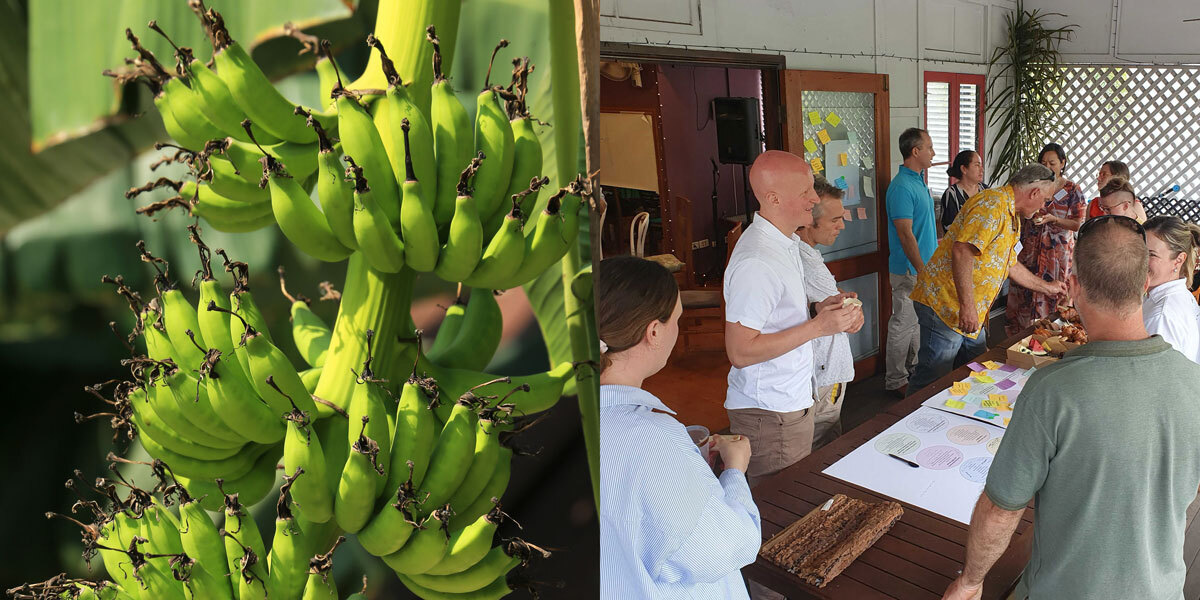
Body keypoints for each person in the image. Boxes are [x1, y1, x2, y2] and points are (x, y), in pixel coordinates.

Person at [941, 216, 1200, 600]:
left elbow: (1002, 509)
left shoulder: (1052, 390)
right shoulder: (1193, 381)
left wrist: (971, 580)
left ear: (1074, 288)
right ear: (1145, 282)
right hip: (1162, 589)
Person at [598, 255, 761, 599]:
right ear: (653, 332)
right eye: (677, 320)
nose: (678, 329)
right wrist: (734, 470)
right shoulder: (648, 438)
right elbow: (725, 547)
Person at [723, 150, 863, 487]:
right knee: (782, 508)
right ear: (772, 198)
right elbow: (740, 351)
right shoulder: (757, 260)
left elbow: (779, 317)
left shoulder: (785, 244)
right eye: (805, 192)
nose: (814, 199)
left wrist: (823, 309)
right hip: (770, 411)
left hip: (791, 398)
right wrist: (818, 327)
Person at [908, 164, 1067, 393]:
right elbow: (962, 251)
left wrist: (1047, 288)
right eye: (1045, 200)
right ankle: (904, 423)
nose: (1044, 207)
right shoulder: (993, 205)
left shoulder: (1012, 214)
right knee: (932, 378)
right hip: (946, 304)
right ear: (1034, 192)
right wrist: (968, 307)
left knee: (977, 368)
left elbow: (1008, 263)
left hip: (969, 311)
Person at [796, 175, 855, 449]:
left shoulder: (805, 254)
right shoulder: (802, 260)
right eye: (835, 220)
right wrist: (850, 313)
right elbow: (836, 319)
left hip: (821, 372)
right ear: (809, 220)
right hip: (823, 375)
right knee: (823, 446)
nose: (842, 226)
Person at [1005, 143, 1086, 336]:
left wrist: (1054, 219)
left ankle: (1049, 335)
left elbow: (1077, 224)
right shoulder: (1034, 185)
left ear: (1062, 163)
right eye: (1043, 162)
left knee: (1052, 293)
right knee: (1024, 289)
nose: (1048, 167)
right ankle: (1018, 337)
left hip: (1055, 254)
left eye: (1052, 163)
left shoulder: (1072, 190)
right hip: (1030, 249)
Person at [884, 127, 938, 397]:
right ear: (915, 151)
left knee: (917, 323)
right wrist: (920, 268)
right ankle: (895, 380)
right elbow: (905, 233)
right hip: (909, 268)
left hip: (923, 267)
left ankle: (912, 369)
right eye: (929, 147)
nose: (933, 152)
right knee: (902, 322)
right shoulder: (902, 187)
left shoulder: (917, 180)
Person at [1142, 215, 1200, 364]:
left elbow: (1156, 378)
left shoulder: (1162, 316)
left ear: (1179, 260)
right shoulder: (1180, 296)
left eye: (1151, 255)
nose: (1141, 260)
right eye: (1140, 251)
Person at [939, 150, 988, 235]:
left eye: (981, 165)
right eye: (977, 165)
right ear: (964, 169)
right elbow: (950, 228)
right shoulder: (952, 194)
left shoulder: (986, 190)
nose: (982, 170)